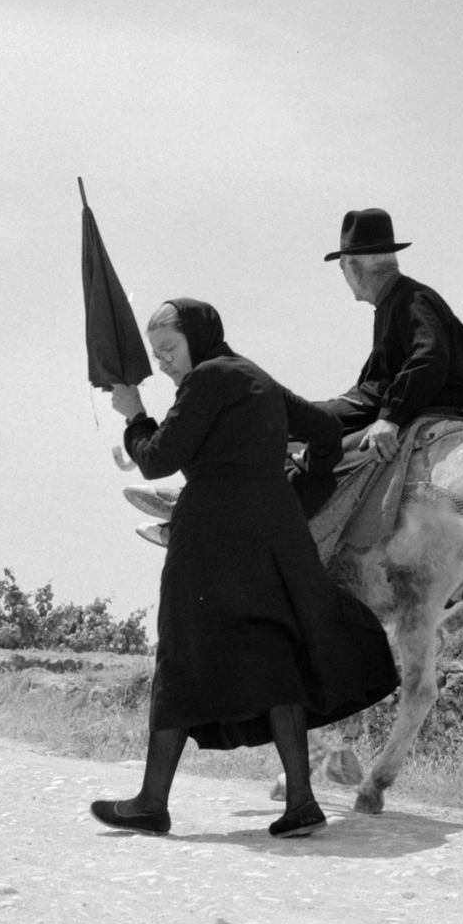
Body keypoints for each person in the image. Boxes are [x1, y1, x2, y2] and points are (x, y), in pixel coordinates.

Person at [92, 298, 398, 839]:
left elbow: (159, 457)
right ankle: (301, 799)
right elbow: (325, 433)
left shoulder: (206, 380)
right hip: (276, 533)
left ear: (198, 339)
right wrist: (306, 479)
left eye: (168, 350)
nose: (162, 362)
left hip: (213, 535)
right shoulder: (254, 376)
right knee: (275, 653)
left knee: (182, 653)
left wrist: (135, 413)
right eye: (157, 353)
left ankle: (151, 802)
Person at [316, 206, 463, 476]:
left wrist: (391, 418)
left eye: (343, 269)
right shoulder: (400, 299)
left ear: (355, 271)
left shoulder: (410, 300)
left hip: (419, 405)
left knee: (296, 432)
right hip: (396, 403)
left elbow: (430, 355)